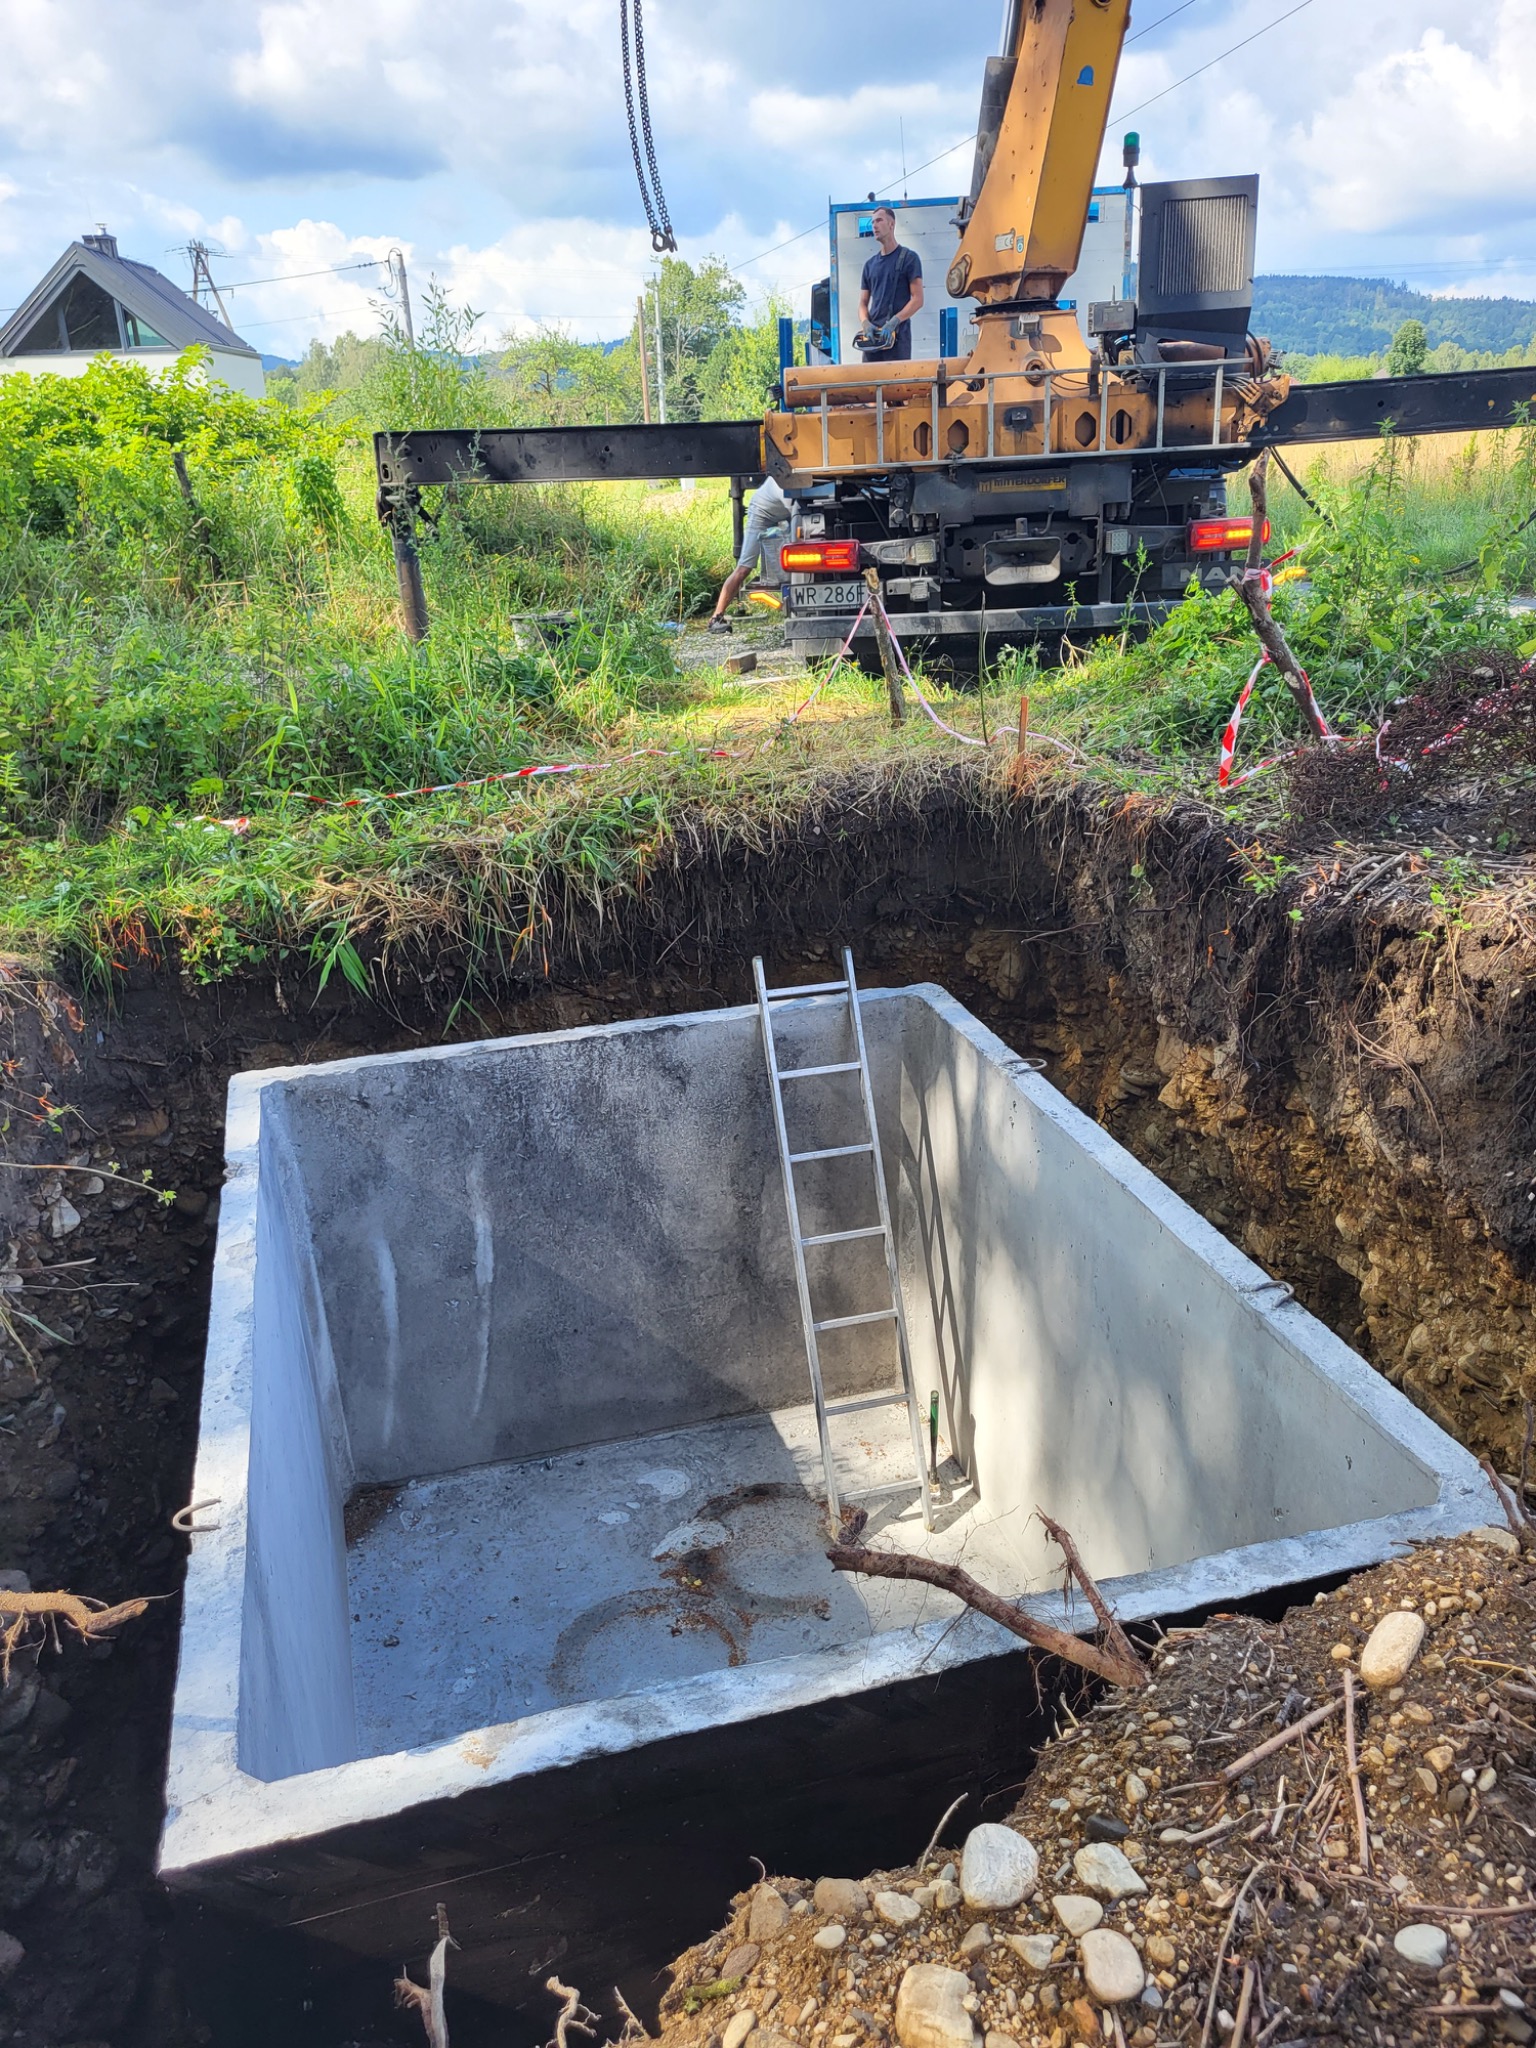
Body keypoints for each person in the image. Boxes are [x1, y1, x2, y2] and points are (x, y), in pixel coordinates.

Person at [709, 474, 791, 633]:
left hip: (782, 512)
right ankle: (716, 618)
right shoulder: (786, 484)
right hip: (761, 513)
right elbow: (799, 512)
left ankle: (791, 607)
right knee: (744, 568)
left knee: (789, 567)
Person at [857, 206, 924, 362]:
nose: (874, 225)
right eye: (873, 222)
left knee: (896, 386)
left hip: (898, 341)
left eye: (879, 220)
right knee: (869, 385)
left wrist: (894, 321)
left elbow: (918, 299)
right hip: (873, 342)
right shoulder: (870, 265)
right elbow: (862, 303)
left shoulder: (909, 258)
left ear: (891, 224)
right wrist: (865, 323)